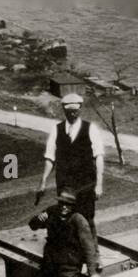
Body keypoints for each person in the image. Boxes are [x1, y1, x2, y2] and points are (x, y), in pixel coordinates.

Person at [36, 92, 107, 239]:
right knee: (66, 217)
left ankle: (93, 252)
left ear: (80, 110)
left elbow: (99, 157)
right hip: (65, 184)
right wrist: (43, 182)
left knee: (87, 218)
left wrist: (99, 184)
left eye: (75, 111)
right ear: (64, 111)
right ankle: (73, 252)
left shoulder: (90, 129)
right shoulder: (57, 129)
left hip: (86, 183)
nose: (73, 114)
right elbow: (50, 158)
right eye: (69, 112)